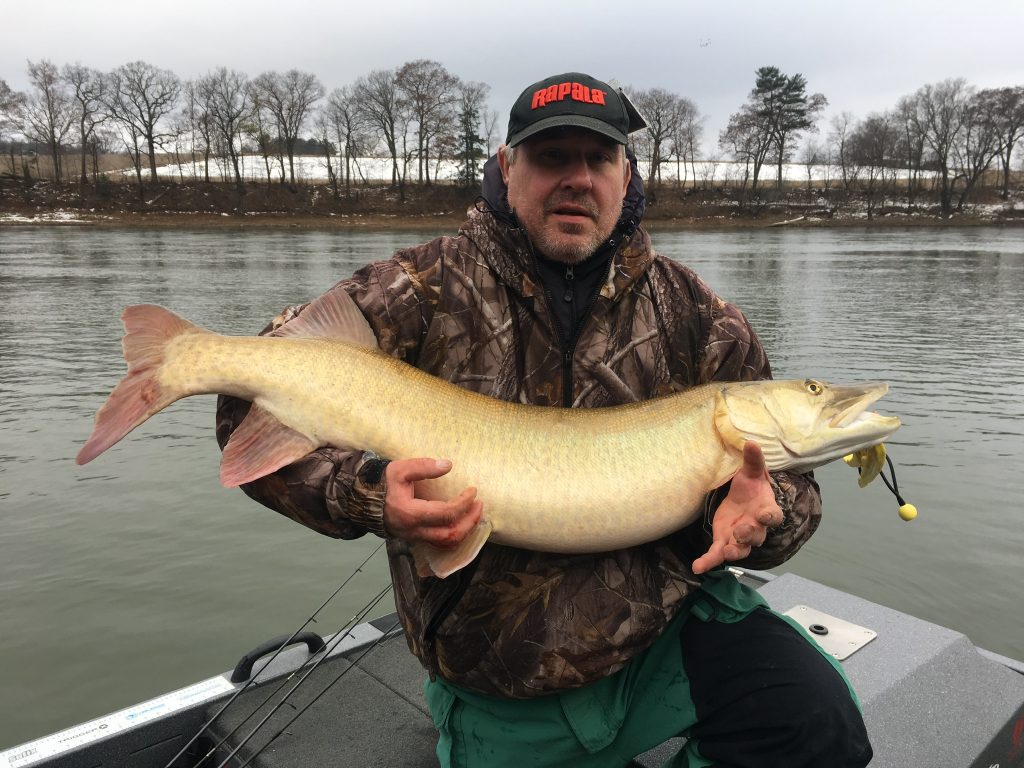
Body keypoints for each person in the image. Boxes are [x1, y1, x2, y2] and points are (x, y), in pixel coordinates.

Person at [216, 72, 872, 767]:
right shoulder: (417, 290)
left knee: (818, 724)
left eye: (598, 159)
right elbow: (245, 404)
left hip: (666, 633)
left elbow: (795, 497)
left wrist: (767, 512)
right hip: (505, 672)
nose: (577, 179)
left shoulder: (700, 317)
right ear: (507, 167)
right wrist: (368, 492)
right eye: (552, 156)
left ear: (627, 173)